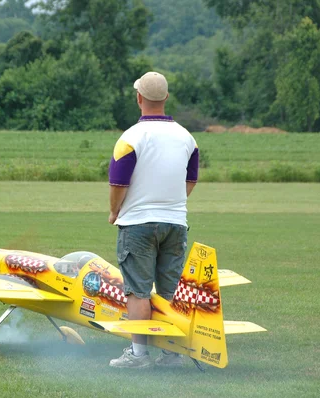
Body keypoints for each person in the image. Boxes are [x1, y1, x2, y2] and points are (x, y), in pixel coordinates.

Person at [107, 72, 199, 368]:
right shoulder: (187, 137)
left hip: (138, 224)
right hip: (175, 223)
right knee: (170, 289)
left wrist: (114, 211)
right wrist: (172, 203)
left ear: (139, 98)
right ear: (166, 98)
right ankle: (173, 353)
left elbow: (118, 183)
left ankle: (138, 355)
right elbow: (191, 179)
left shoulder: (130, 137)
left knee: (137, 290)